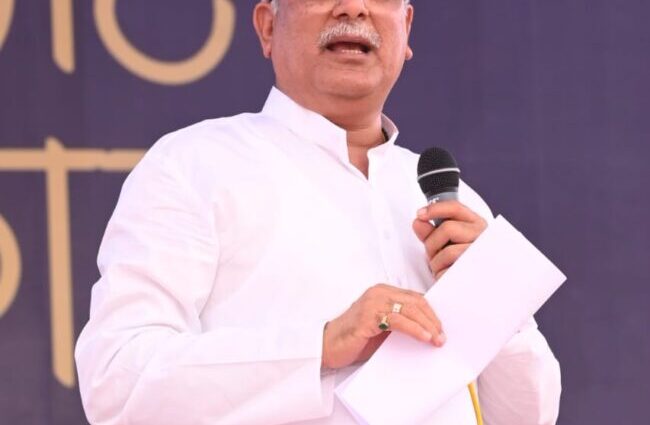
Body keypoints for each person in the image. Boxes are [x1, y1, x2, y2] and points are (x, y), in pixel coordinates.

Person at [75, 1, 561, 424]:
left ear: (406, 28)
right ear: (268, 26)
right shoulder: (193, 164)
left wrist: (498, 302)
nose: (353, 7)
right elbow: (116, 382)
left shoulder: (452, 201)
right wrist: (321, 347)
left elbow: (526, 417)